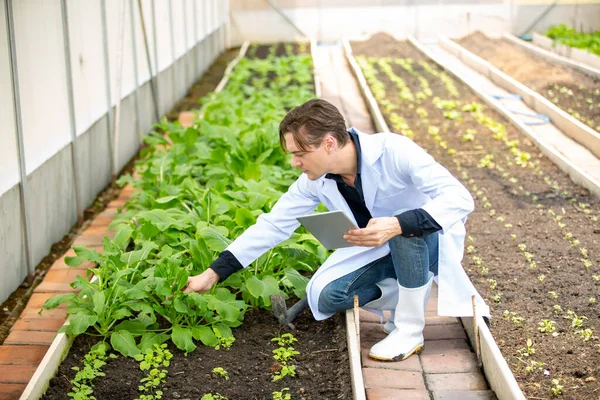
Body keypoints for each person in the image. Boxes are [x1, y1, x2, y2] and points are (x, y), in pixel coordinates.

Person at [183, 98, 489, 361]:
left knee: (403, 223)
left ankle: (408, 330)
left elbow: (460, 198)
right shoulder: (316, 181)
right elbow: (274, 224)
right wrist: (212, 274)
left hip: (427, 242)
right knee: (329, 296)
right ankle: (407, 289)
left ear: (329, 143)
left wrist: (397, 224)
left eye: (300, 154)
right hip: (380, 252)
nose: (294, 163)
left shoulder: (394, 151)